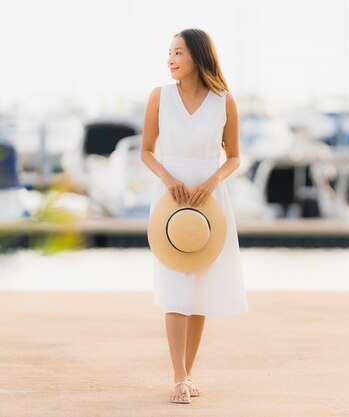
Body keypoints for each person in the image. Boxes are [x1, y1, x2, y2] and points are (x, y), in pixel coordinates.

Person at [141, 28, 249, 404]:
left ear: (198, 56)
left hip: (209, 201)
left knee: (199, 291)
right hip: (170, 199)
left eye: (178, 52)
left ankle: (188, 374)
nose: (170, 59)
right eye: (169, 52)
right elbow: (146, 151)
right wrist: (169, 179)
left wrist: (212, 180)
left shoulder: (224, 101)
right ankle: (178, 378)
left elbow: (234, 156)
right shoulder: (159, 97)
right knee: (175, 288)